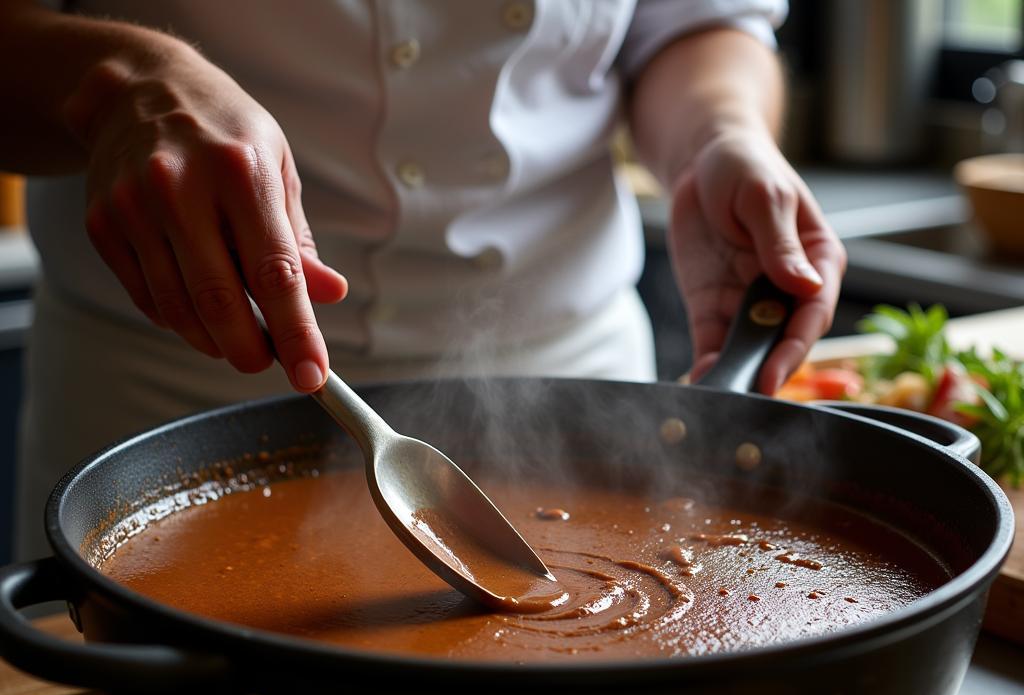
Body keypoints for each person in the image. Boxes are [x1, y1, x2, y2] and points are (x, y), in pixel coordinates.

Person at [0, 0, 845, 561]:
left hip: (577, 391)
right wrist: (117, 81)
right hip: (172, 405)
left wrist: (718, 134)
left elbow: (696, 22)